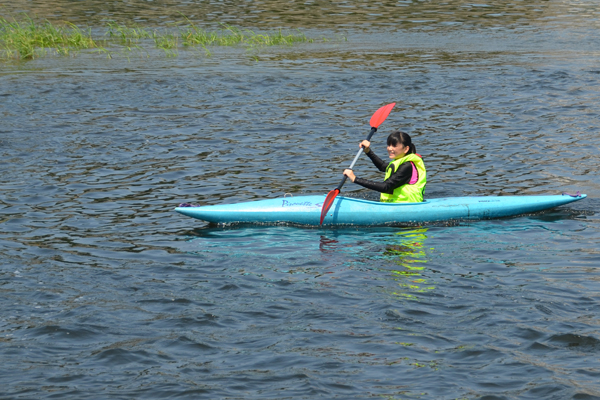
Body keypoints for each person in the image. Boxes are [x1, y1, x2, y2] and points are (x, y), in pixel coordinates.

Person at [343, 131, 426, 202]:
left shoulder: (407, 166)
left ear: (406, 149)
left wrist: (355, 179)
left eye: (394, 146)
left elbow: (385, 187)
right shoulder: (399, 162)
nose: (389, 148)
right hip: (396, 204)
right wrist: (368, 151)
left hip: (407, 205)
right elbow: (382, 166)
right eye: (388, 145)